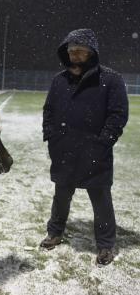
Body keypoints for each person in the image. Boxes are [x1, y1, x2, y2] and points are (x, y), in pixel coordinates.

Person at [40, 29, 129, 266]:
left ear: (92, 52)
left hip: (95, 153)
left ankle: (105, 245)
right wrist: (51, 136)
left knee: (101, 199)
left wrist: (103, 142)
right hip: (64, 150)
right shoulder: (59, 80)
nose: (75, 55)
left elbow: (118, 115)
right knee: (61, 196)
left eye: (80, 50)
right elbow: (48, 110)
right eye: (71, 50)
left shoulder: (111, 79)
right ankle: (55, 232)